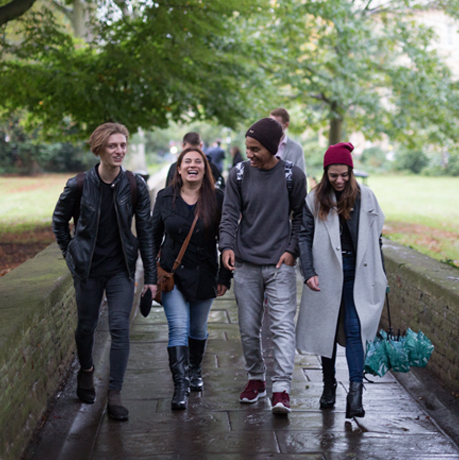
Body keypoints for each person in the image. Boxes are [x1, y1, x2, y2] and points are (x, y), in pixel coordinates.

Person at [51, 122, 156, 422]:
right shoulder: (79, 185)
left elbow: (146, 232)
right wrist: (71, 255)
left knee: (120, 329)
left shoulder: (134, 185)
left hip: (121, 268)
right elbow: (59, 223)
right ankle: (86, 370)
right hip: (88, 270)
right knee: (86, 327)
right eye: (113, 146)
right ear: (99, 148)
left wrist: (150, 277)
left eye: (123, 145)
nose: (119, 151)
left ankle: (115, 394)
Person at [219, 118, 307, 415]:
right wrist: (227, 246)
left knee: (282, 328)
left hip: (279, 264)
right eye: (247, 148)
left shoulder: (293, 176)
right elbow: (229, 214)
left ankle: (281, 389)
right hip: (246, 264)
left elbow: (300, 218)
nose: (250, 154)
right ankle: (256, 379)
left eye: (256, 149)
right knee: (247, 328)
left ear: (271, 147)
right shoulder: (239, 174)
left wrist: (291, 251)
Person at [296, 142, 387, 418]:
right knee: (326, 331)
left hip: (358, 274)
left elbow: (377, 236)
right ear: (326, 173)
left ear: (351, 172)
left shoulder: (366, 198)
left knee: (354, 328)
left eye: (344, 174)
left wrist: (380, 275)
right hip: (325, 273)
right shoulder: (315, 199)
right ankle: (328, 385)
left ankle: (356, 394)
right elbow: (303, 236)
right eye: (334, 175)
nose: (339, 180)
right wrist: (309, 271)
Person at [151, 148, 231, 410]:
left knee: (197, 329)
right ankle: (181, 385)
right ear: (179, 168)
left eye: (199, 162)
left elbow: (226, 239)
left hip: (205, 273)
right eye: (188, 161)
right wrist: (152, 277)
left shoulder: (217, 198)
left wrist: (224, 277)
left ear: (205, 169)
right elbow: (152, 238)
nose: (193, 165)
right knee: (178, 327)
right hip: (172, 275)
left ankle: (195, 369)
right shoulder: (165, 197)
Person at [270, 107, 306, 174]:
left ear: (286, 125)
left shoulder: (296, 149)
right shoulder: (262, 145)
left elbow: (301, 177)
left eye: (276, 124)